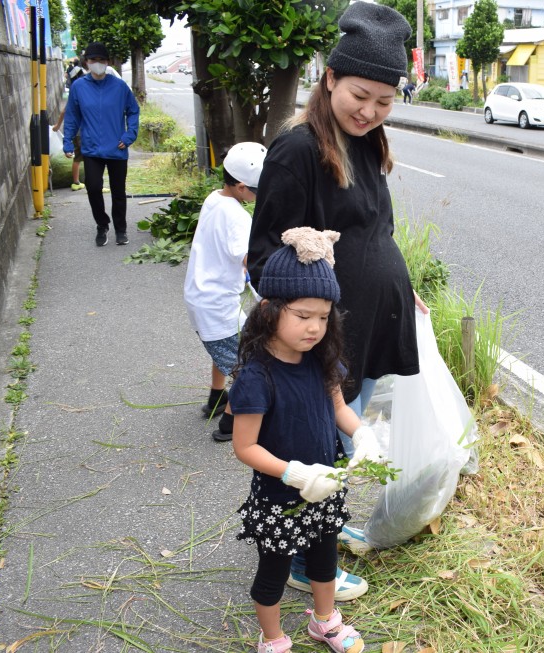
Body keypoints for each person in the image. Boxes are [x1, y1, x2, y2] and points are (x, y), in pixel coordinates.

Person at [246, 2, 426, 601]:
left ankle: (321, 526)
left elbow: (376, 228)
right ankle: (302, 561)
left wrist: (404, 283)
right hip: (327, 332)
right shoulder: (297, 149)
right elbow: (264, 253)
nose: (370, 111)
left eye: (384, 100)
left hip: (373, 321)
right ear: (329, 79)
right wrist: (304, 277)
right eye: (360, 94)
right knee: (320, 443)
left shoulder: (370, 141)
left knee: (347, 439)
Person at [231, 227, 382, 653]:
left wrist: (361, 431)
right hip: (281, 494)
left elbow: (338, 409)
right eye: (302, 316)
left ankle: (325, 621)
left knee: (324, 558)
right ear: (269, 310)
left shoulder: (322, 360)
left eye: (323, 316)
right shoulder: (257, 376)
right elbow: (245, 447)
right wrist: (295, 473)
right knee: (274, 571)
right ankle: (274, 638)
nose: (315, 327)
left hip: (328, 483)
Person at [182, 142, 266, 441]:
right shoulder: (238, 218)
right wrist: (267, 293)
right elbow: (250, 262)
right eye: (259, 189)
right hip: (216, 303)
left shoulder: (215, 198)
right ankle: (229, 425)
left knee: (227, 352)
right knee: (249, 366)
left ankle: (216, 399)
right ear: (242, 187)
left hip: (202, 296)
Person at [63, 41, 139, 247]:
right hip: (92, 148)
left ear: (108, 62)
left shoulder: (119, 86)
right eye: (93, 60)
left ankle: (121, 229)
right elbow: (72, 116)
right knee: (93, 187)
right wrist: (68, 141)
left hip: (117, 147)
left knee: (118, 191)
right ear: (86, 62)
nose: (98, 63)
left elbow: (133, 111)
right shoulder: (79, 87)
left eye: (101, 60)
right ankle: (102, 224)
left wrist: (128, 136)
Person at [53, 87, 85, 191]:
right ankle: (89, 181)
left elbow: (63, 112)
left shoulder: (74, 98)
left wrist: (57, 126)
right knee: (90, 157)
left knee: (77, 158)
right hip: (84, 133)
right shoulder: (86, 98)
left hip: (75, 132)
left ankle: (76, 181)